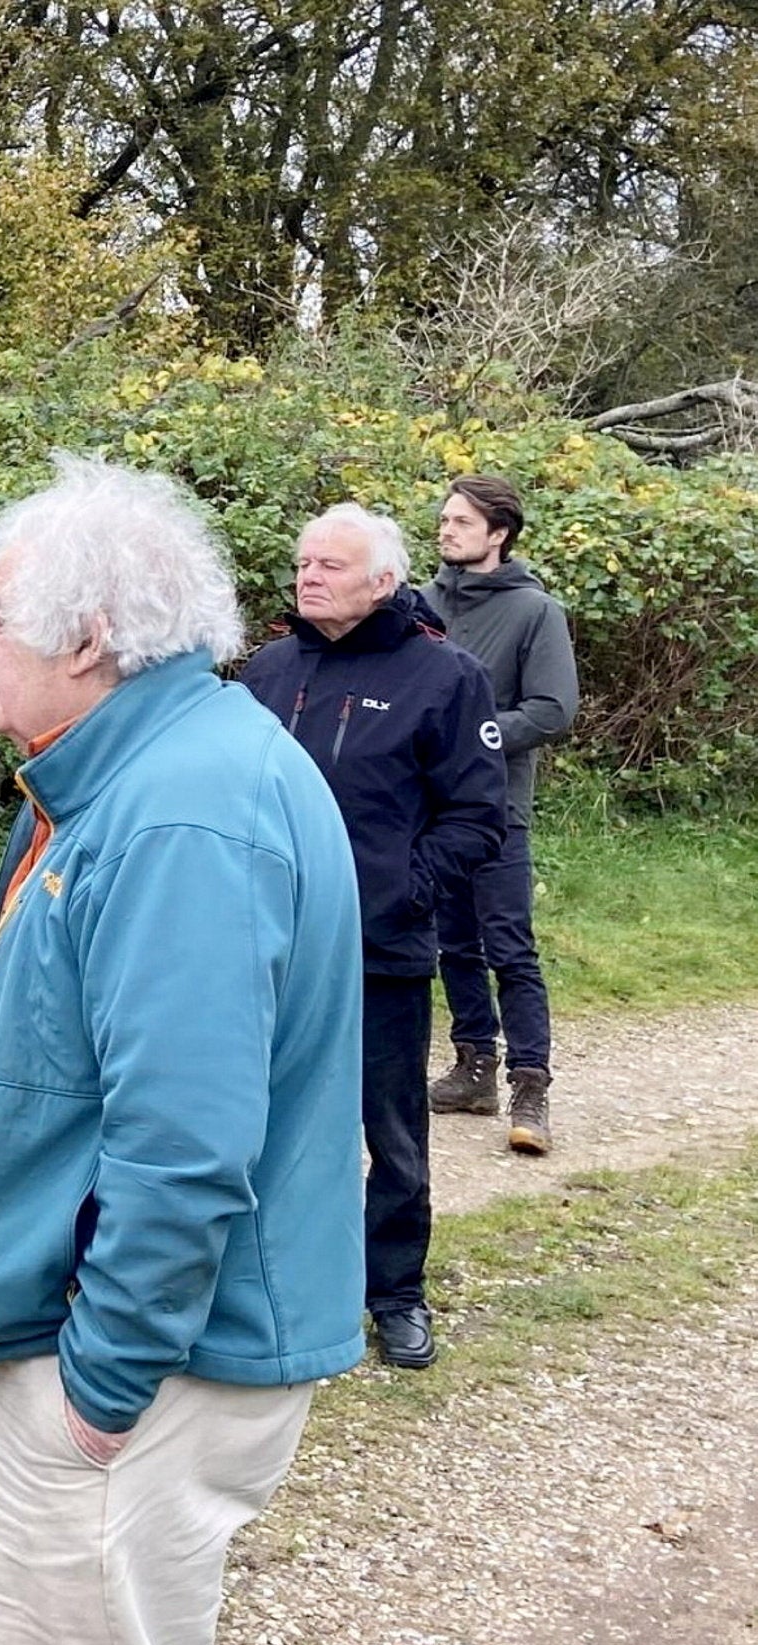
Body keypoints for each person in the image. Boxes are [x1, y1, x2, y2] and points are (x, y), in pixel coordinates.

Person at [0, 456, 365, 1645]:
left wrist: (100, 1387)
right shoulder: (161, 770)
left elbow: (185, 1145)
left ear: (89, 635)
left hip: (146, 1377)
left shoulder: (180, 815)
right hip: (150, 1364)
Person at [243, 503, 506, 1373]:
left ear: (383, 582)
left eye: (330, 565)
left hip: (378, 949)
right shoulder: (270, 670)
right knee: (264, 1121)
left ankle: (395, 1293)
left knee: (389, 1132)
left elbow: (478, 817)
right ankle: (267, 1287)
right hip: (267, 945)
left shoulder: (443, 676)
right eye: (304, 561)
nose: (308, 575)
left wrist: (402, 891)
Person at [421, 473, 580, 1154]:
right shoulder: (420, 604)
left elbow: (552, 710)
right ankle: (473, 1066)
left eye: (461, 521)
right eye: (445, 519)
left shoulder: (535, 611)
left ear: (498, 533)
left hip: (496, 807)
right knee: (450, 944)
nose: (447, 529)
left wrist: (474, 735)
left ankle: (530, 1084)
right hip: (430, 808)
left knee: (508, 945)